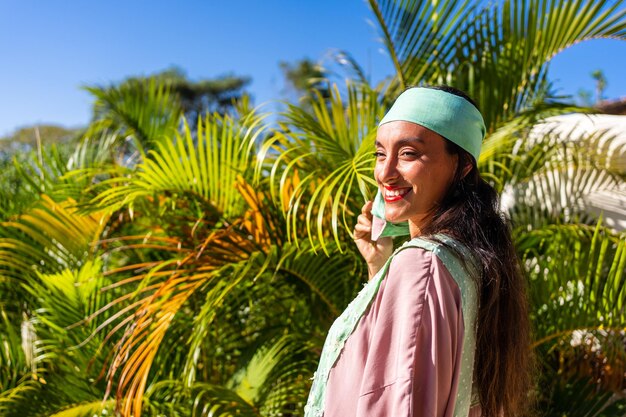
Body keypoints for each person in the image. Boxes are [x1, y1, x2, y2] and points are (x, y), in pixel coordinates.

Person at [304, 86, 533, 417]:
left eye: (408, 153)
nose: (385, 172)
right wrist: (379, 266)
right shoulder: (466, 257)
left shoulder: (423, 265)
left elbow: (402, 399)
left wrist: (404, 266)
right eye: (380, 154)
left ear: (463, 166)